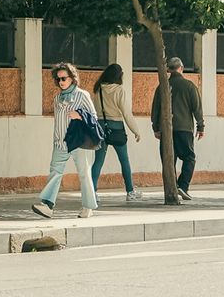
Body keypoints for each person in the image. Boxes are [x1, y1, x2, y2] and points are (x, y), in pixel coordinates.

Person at [32, 62, 100, 219]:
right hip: (61, 143)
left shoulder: (82, 95)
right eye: (58, 79)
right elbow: (58, 121)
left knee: (84, 174)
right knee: (55, 172)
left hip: (79, 141)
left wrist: (80, 115)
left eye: (64, 78)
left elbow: (94, 117)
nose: (61, 82)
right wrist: (56, 139)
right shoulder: (57, 98)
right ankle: (47, 205)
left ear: (72, 78)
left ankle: (88, 206)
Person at [150, 56, 204, 201]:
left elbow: (155, 108)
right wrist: (201, 126)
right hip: (184, 129)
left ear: (168, 70)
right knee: (189, 158)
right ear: (181, 68)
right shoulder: (189, 86)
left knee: (169, 161)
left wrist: (155, 127)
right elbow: (197, 108)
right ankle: (183, 185)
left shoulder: (162, 86)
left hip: (166, 130)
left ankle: (171, 190)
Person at [90, 64, 143, 201]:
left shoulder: (98, 89)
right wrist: (135, 130)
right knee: (124, 160)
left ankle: (92, 192)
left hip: (100, 126)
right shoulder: (119, 90)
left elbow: (94, 110)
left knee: (98, 161)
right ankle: (130, 192)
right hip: (116, 127)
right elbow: (126, 113)